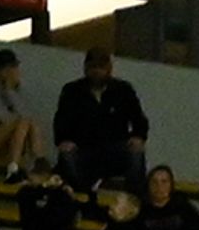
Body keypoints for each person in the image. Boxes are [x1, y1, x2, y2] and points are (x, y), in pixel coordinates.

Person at [55, 45, 150, 188]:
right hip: (84, 149)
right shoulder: (72, 91)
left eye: (101, 67)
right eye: (93, 67)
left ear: (109, 69)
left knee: (136, 152)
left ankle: (135, 197)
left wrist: (138, 136)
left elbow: (139, 119)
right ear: (86, 68)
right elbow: (60, 121)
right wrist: (63, 140)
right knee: (67, 155)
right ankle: (79, 197)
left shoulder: (123, 89)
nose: (97, 72)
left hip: (116, 149)